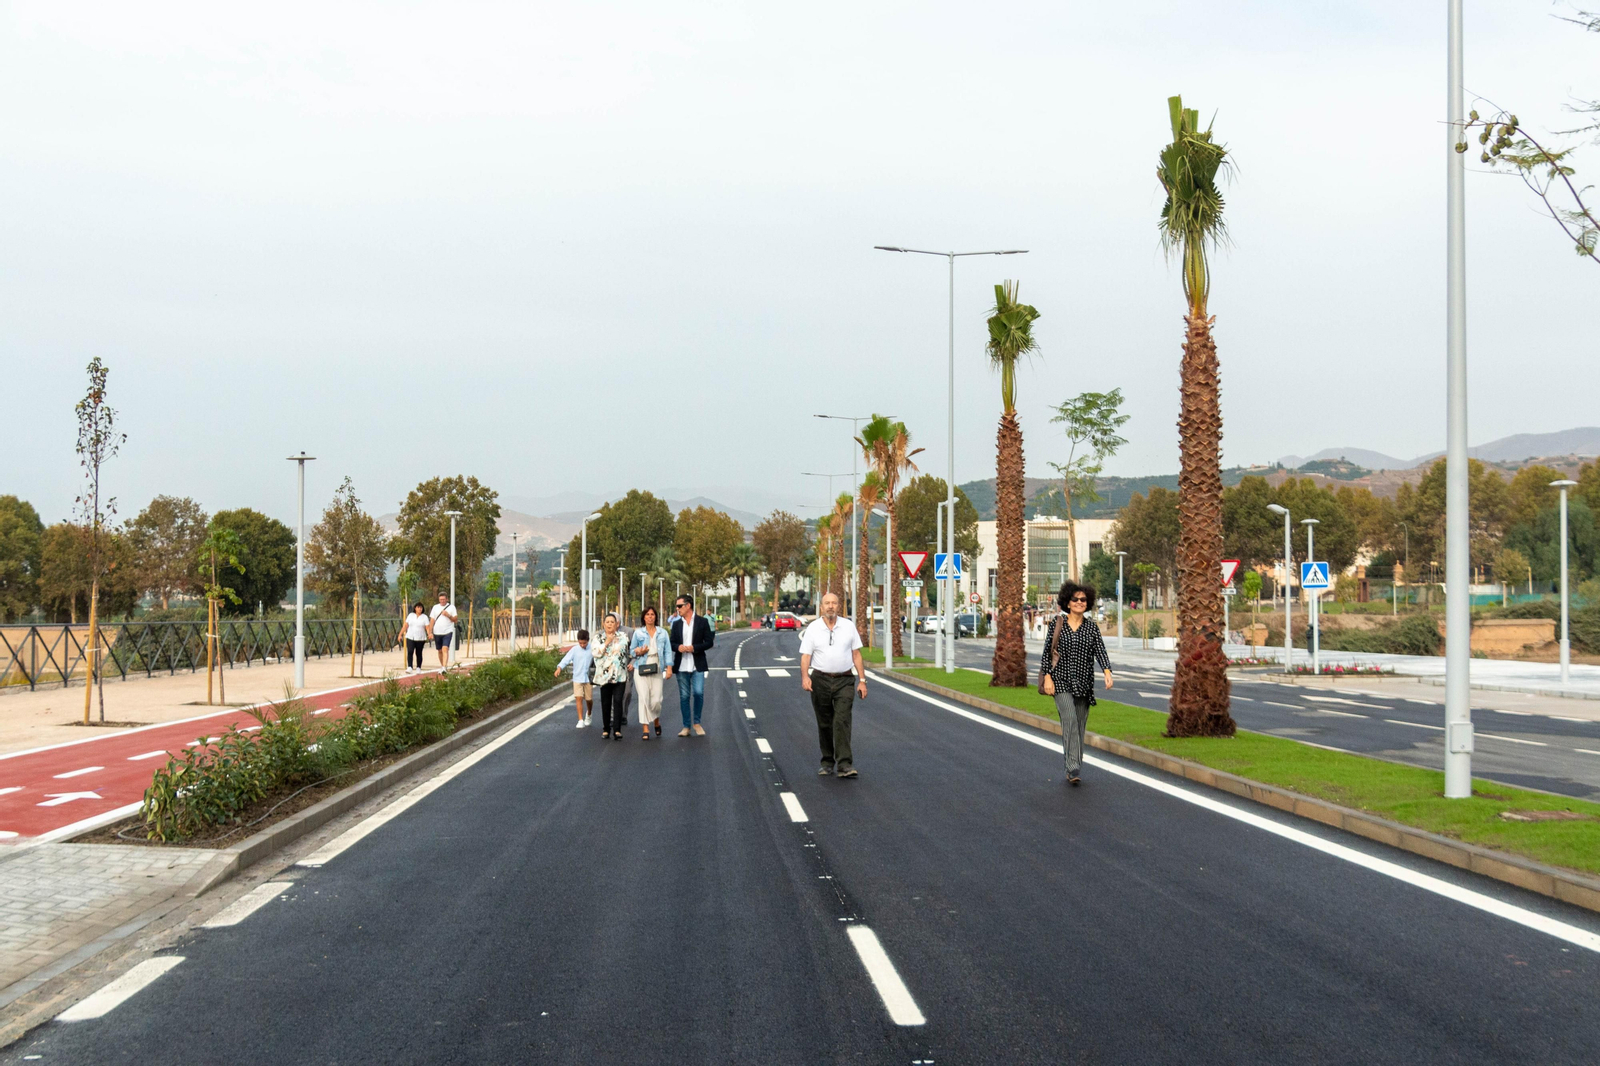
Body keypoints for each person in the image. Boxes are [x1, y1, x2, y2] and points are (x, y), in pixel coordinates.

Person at [1039, 581, 1114, 787]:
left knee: (1079, 725)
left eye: (1083, 599)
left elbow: (1100, 651)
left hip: (1084, 682)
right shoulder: (1057, 624)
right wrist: (1047, 677)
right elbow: (1047, 652)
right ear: (1068, 602)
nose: (1080, 602)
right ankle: (1072, 766)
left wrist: (1107, 672)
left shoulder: (1091, 627)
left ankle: (1074, 765)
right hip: (1060, 680)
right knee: (1069, 719)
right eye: (1076, 599)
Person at [799, 592, 867, 778]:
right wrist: (805, 677)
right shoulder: (813, 628)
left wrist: (862, 680)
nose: (830, 606)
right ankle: (827, 761)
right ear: (821, 607)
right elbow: (806, 656)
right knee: (825, 722)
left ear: (839, 606)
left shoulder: (848, 626)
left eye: (834, 603)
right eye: (827, 603)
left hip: (844, 680)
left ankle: (845, 764)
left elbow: (856, 655)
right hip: (820, 680)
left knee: (841, 720)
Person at [670, 594, 714, 737]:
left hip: (697, 664)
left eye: (679, 606)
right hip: (681, 665)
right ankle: (686, 726)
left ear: (688, 606)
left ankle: (697, 723)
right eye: (676, 606)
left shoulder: (702, 622)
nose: (677, 609)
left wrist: (694, 648)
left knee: (698, 693)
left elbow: (709, 642)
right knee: (684, 696)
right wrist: (679, 647)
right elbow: (671, 643)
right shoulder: (676, 624)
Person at [630, 605, 672, 740]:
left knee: (657, 700)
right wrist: (639, 651)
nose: (650, 617)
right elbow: (631, 651)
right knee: (643, 698)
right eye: (647, 615)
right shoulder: (638, 633)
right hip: (641, 667)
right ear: (643, 617)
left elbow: (667, 651)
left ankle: (656, 720)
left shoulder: (662, 632)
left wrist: (669, 667)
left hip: (657, 667)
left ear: (656, 617)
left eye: (652, 614)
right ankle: (645, 728)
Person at [591, 613, 631, 740]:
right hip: (604, 676)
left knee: (618, 701)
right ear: (603, 624)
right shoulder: (598, 638)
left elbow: (626, 652)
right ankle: (606, 729)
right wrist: (607, 643)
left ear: (616, 624)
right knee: (606, 703)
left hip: (620, 675)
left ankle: (617, 730)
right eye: (607, 622)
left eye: (612, 622)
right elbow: (596, 653)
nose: (609, 624)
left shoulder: (623, 637)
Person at [555, 629, 595, 728]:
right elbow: (566, 659)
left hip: (589, 678)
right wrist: (559, 668)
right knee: (578, 698)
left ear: (588, 640)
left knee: (589, 699)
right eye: (580, 643)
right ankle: (580, 719)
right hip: (577, 677)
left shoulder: (593, 649)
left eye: (584, 643)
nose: (582, 645)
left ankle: (589, 713)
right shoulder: (575, 649)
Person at [396, 602, 431, 674]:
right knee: (410, 651)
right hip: (410, 636)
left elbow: (427, 627)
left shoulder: (424, 617)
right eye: (418, 607)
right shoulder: (411, 616)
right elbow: (405, 625)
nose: (419, 609)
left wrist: (429, 634)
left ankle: (418, 667)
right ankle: (410, 667)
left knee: (418, 653)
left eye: (421, 608)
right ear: (415, 608)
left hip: (420, 637)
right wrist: (400, 634)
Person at [429, 592, 458, 669]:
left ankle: (444, 667)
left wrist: (448, 615)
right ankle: (442, 665)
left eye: (443, 599)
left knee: (445, 648)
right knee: (439, 650)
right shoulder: (435, 607)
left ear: (447, 599)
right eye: (440, 599)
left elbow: (455, 620)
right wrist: (430, 632)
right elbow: (432, 620)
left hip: (447, 631)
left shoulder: (451, 607)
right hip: (437, 632)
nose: (442, 601)